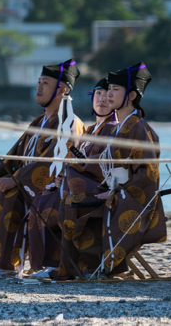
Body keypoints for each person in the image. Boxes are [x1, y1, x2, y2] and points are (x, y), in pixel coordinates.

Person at [0, 59, 84, 277]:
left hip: (51, 185)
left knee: (12, 193)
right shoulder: (38, 122)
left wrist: (16, 180)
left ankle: (6, 262)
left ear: (62, 90)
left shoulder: (70, 122)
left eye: (45, 83)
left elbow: (53, 161)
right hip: (24, 180)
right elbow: (12, 158)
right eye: (38, 82)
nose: (38, 87)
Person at [81, 63, 166, 277]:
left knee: (81, 208)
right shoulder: (119, 126)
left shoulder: (138, 127)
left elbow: (148, 174)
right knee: (72, 203)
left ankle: (104, 267)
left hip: (132, 197)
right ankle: (80, 266)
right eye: (108, 89)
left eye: (115, 89)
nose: (109, 94)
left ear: (132, 95)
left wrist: (117, 192)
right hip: (114, 190)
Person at [50, 77, 120, 278]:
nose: (102, 99)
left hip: (98, 189)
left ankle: (76, 265)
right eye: (98, 93)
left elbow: (107, 163)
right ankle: (54, 263)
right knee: (46, 197)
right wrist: (63, 175)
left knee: (69, 204)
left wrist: (74, 168)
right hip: (79, 186)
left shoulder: (115, 128)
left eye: (107, 95)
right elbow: (79, 163)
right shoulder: (90, 130)